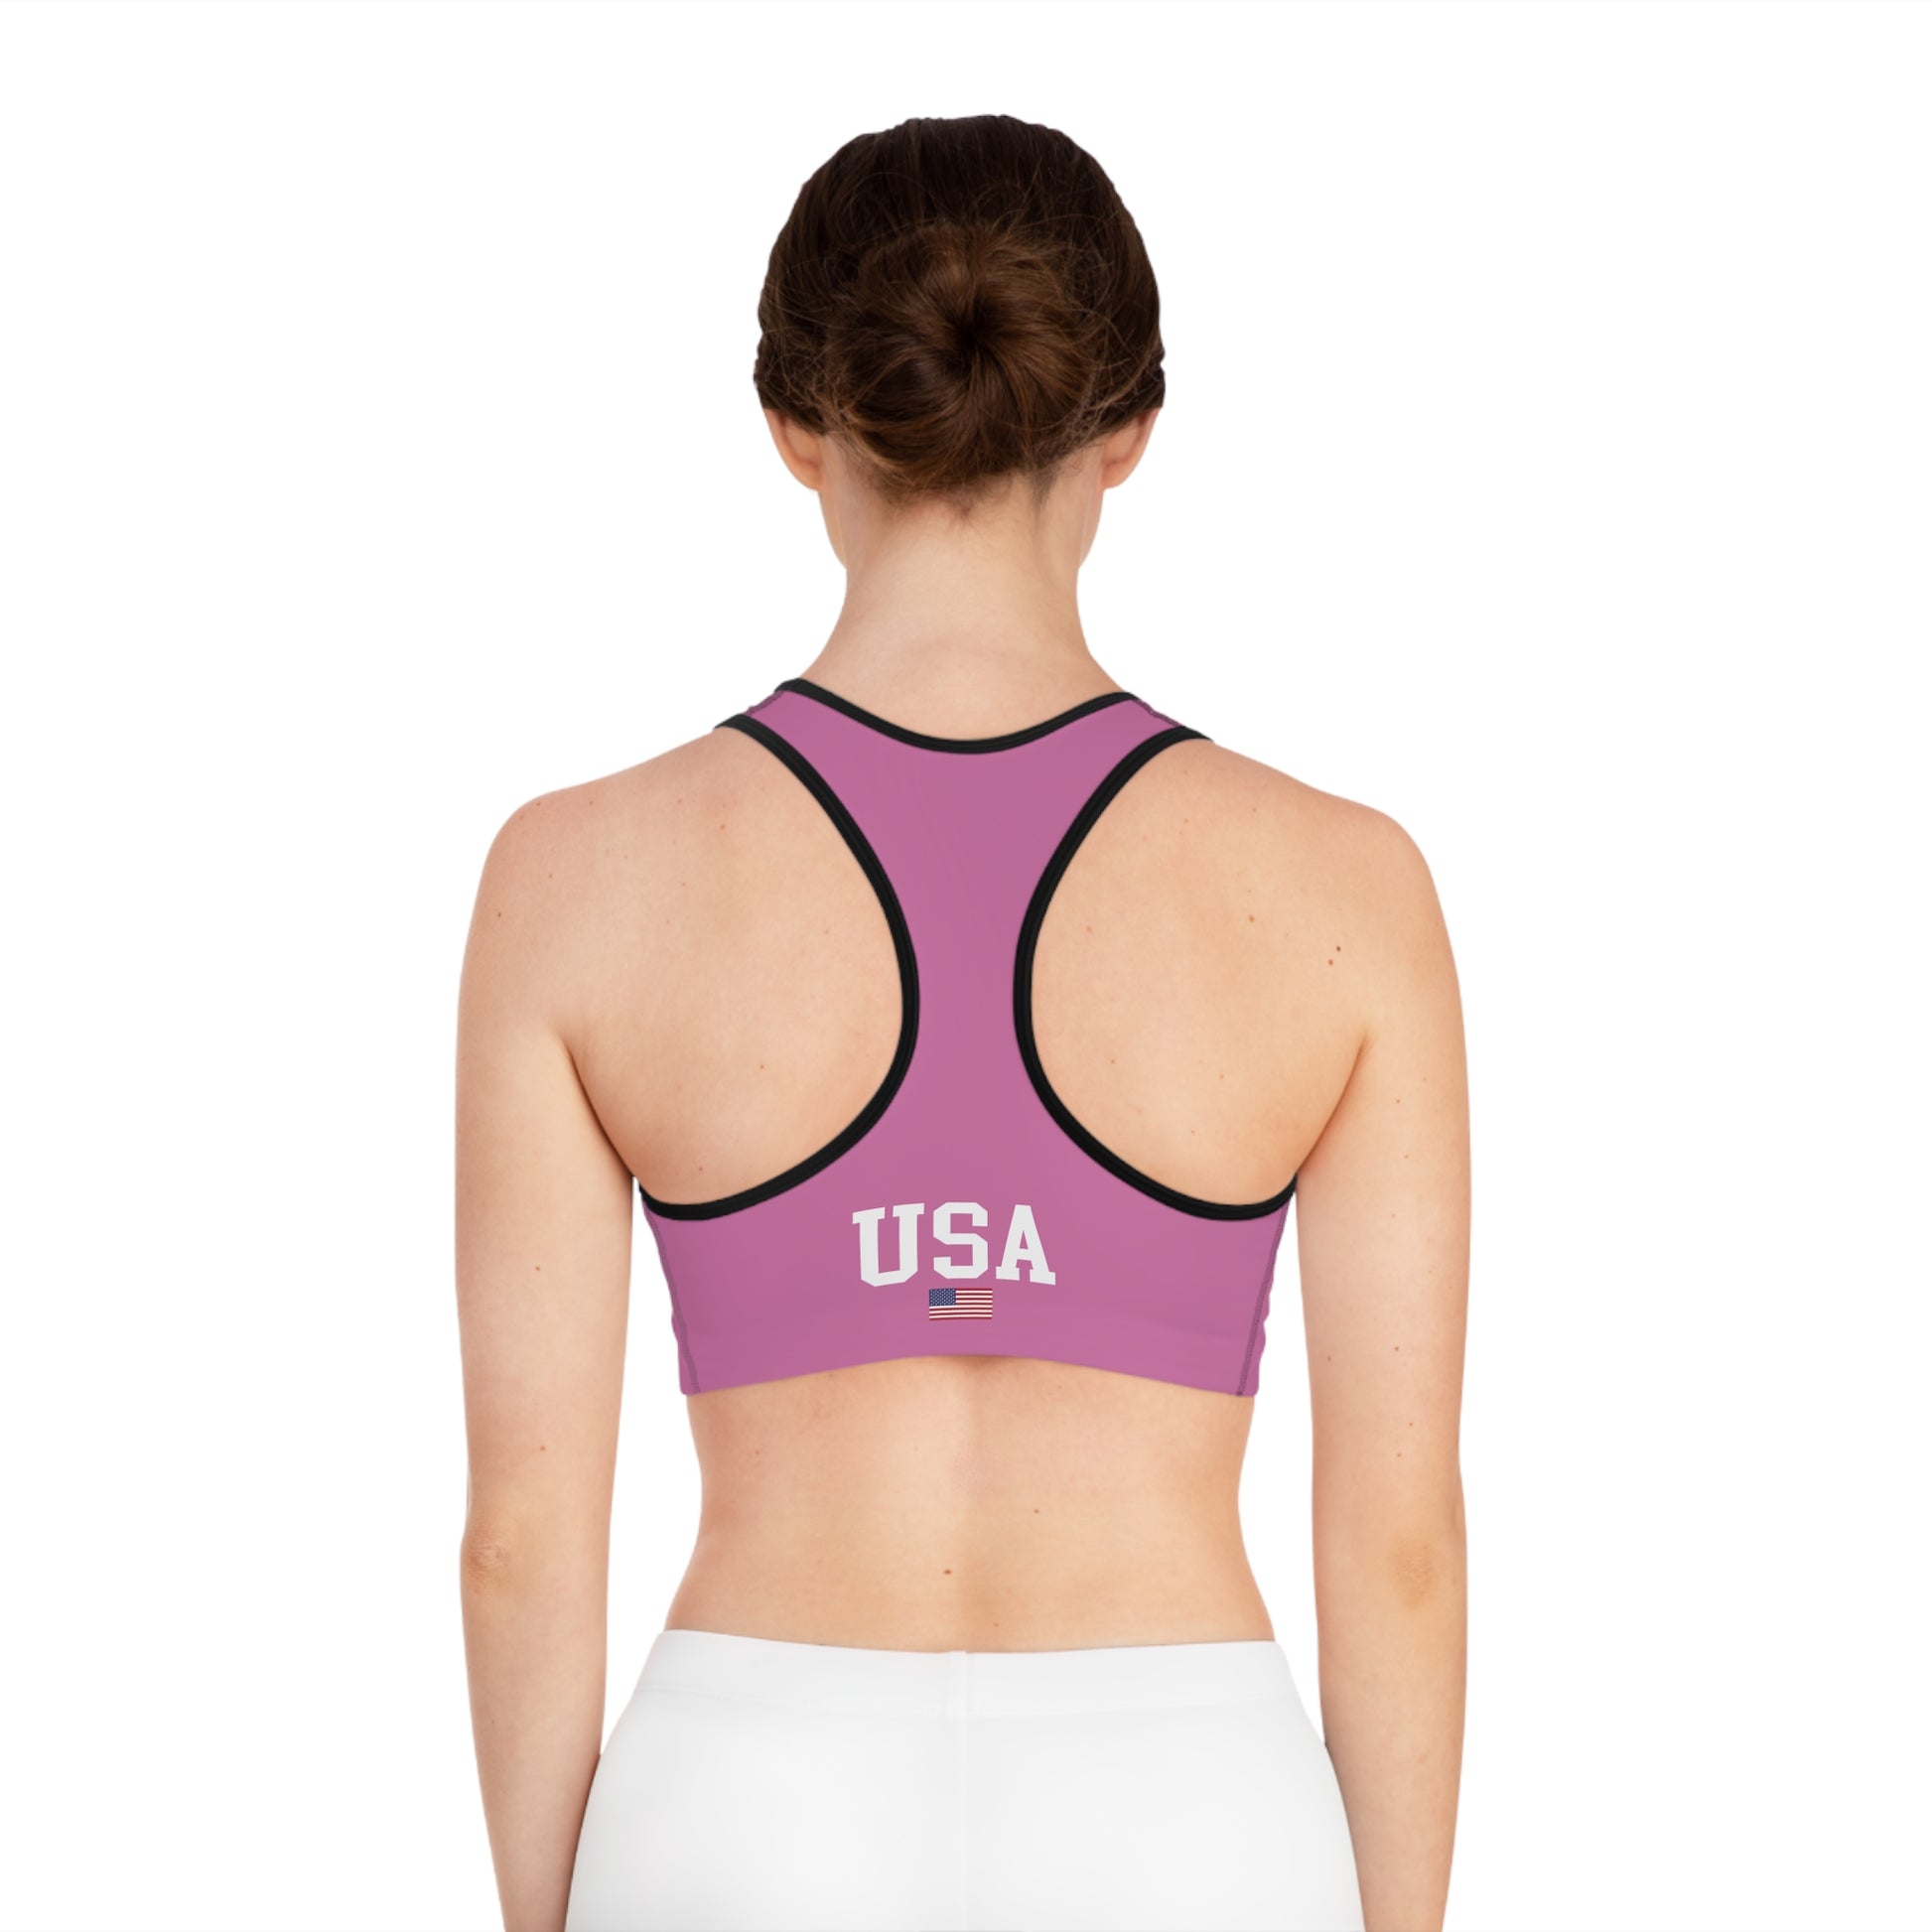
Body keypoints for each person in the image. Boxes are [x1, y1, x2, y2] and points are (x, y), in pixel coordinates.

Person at [456, 113, 1469, 1932]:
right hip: (1185, 1808)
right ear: (1127, 427)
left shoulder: (577, 876)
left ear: (795, 424)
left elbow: (520, 1538)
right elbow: (1396, 1548)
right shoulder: (1342, 888)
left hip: (745, 1799)